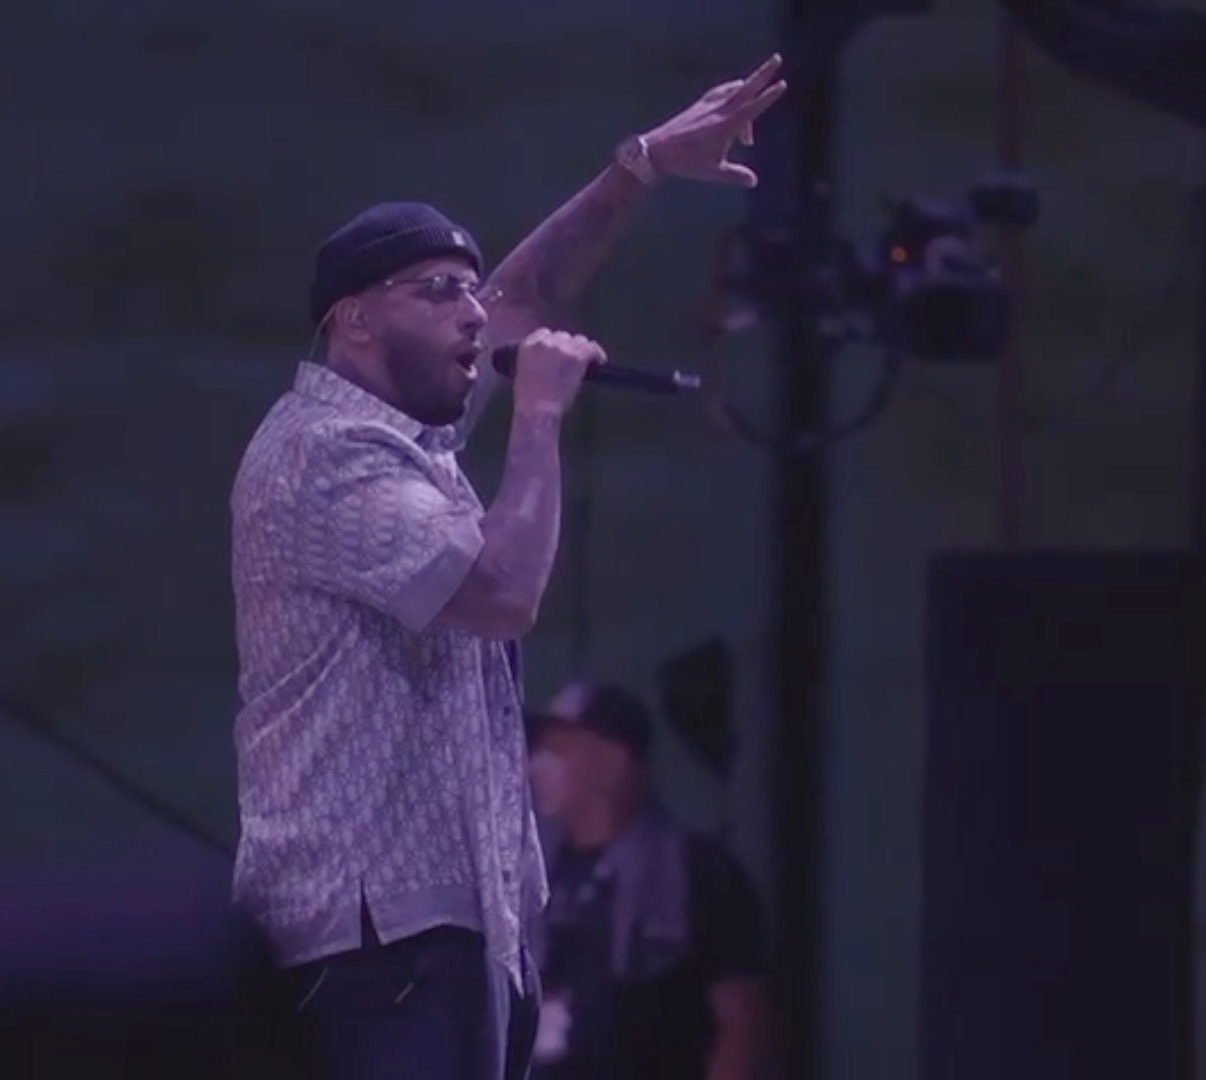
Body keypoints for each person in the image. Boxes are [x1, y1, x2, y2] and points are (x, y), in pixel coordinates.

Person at [227, 56, 788, 1080]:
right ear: (354, 319)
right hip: (370, 935)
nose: (473, 313)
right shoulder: (323, 454)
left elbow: (526, 293)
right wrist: (536, 417)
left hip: (456, 930)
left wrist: (641, 165)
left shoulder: (407, 442)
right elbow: (502, 594)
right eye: (438, 291)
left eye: (466, 290)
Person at [526, 681, 773, 1080]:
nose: (538, 766)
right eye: (539, 750)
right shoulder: (531, 877)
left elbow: (741, 1024)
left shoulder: (698, 870)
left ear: (613, 761)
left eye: (559, 750)